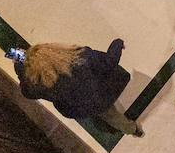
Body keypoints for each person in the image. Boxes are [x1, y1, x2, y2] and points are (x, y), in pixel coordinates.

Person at [13, 41, 142, 136]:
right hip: (100, 96)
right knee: (111, 115)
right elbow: (108, 61)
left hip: (77, 109)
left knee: (96, 114)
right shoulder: (79, 57)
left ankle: (110, 127)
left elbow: (26, 90)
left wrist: (18, 63)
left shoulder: (40, 84)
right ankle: (134, 130)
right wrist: (117, 43)